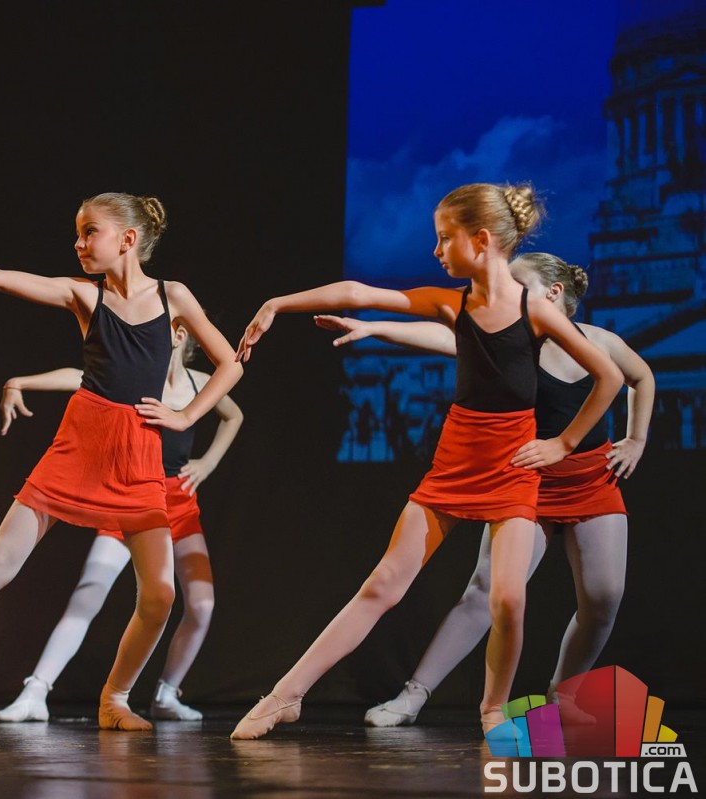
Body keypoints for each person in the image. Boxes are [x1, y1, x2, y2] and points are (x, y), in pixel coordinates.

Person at [230, 183, 623, 739]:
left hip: (513, 467)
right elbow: (358, 290)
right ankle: (284, 696)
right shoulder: (452, 304)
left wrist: (563, 443)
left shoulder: (536, 312)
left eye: (444, 239)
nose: (436, 251)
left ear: (480, 241)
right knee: (383, 585)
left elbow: (609, 377)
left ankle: (493, 710)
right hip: (458, 459)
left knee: (508, 598)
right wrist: (277, 303)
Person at [0, 192, 243, 731]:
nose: (78, 243)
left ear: (127, 240)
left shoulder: (172, 296)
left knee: (159, 594)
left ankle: (115, 699)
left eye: (89, 232)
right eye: (78, 233)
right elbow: (0, 278)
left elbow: (230, 363)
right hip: (81, 444)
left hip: (138, 456)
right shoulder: (83, 295)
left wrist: (186, 415)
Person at [309, 253, 653, 727]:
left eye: (517, 285)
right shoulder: (507, 342)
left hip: (591, 479)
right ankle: (413, 695)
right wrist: (375, 328)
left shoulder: (600, 342)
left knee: (604, 597)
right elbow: (441, 335)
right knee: (485, 591)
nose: (503, 293)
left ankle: (563, 694)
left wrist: (636, 439)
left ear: (552, 294)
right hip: (525, 481)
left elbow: (640, 377)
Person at [0, 325, 243, 722]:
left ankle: (166, 693)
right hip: (133, 497)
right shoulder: (136, 374)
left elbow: (233, 415)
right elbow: (79, 377)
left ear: (178, 335)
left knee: (202, 603)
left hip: (177, 502)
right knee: (89, 592)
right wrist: (22, 381)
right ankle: (35, 690)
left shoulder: (200, 382)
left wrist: (208, 463)